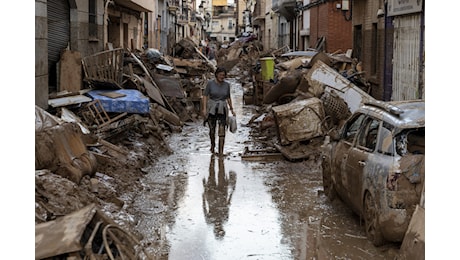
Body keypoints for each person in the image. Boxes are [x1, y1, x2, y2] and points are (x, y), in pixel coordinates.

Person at [202, 67, 236, 155]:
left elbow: (228, 97)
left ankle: (221, 152)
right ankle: (212, 145)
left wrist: (232, 109)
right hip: (212, 108)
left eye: (223, 75)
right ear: (216, 75)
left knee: (222, 130)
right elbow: (205, 96)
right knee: (212, 130)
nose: (222, 77)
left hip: (222, 108)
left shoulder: (227, 85)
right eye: (220, 75)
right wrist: (204, 109)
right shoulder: (210, 84)